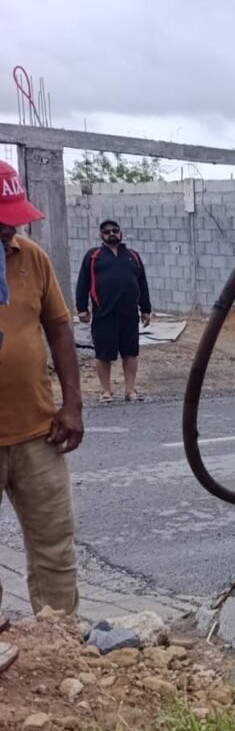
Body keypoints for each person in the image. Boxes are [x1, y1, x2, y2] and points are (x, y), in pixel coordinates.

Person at [0, 160, 85, 671]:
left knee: (55, 546)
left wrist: (72, 404)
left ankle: (61, 653)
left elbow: (58, 329)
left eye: (11, 216)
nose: (9, 226)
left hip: (37, 432)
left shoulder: (31, 257)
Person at [75, 219, 152, 403]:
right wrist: (82, 308)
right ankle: (105, 391)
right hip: (104, 315)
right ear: (101, 235)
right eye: (107, 231)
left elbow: (142, 283)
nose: (111, 234)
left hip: (129, 315)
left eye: (115, 230)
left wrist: (146, 309)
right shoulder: (93, 256)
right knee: (103, 354)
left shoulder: (133, 256)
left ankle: (130, 390)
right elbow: (82, 283)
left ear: (120, 232)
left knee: (131, 353)